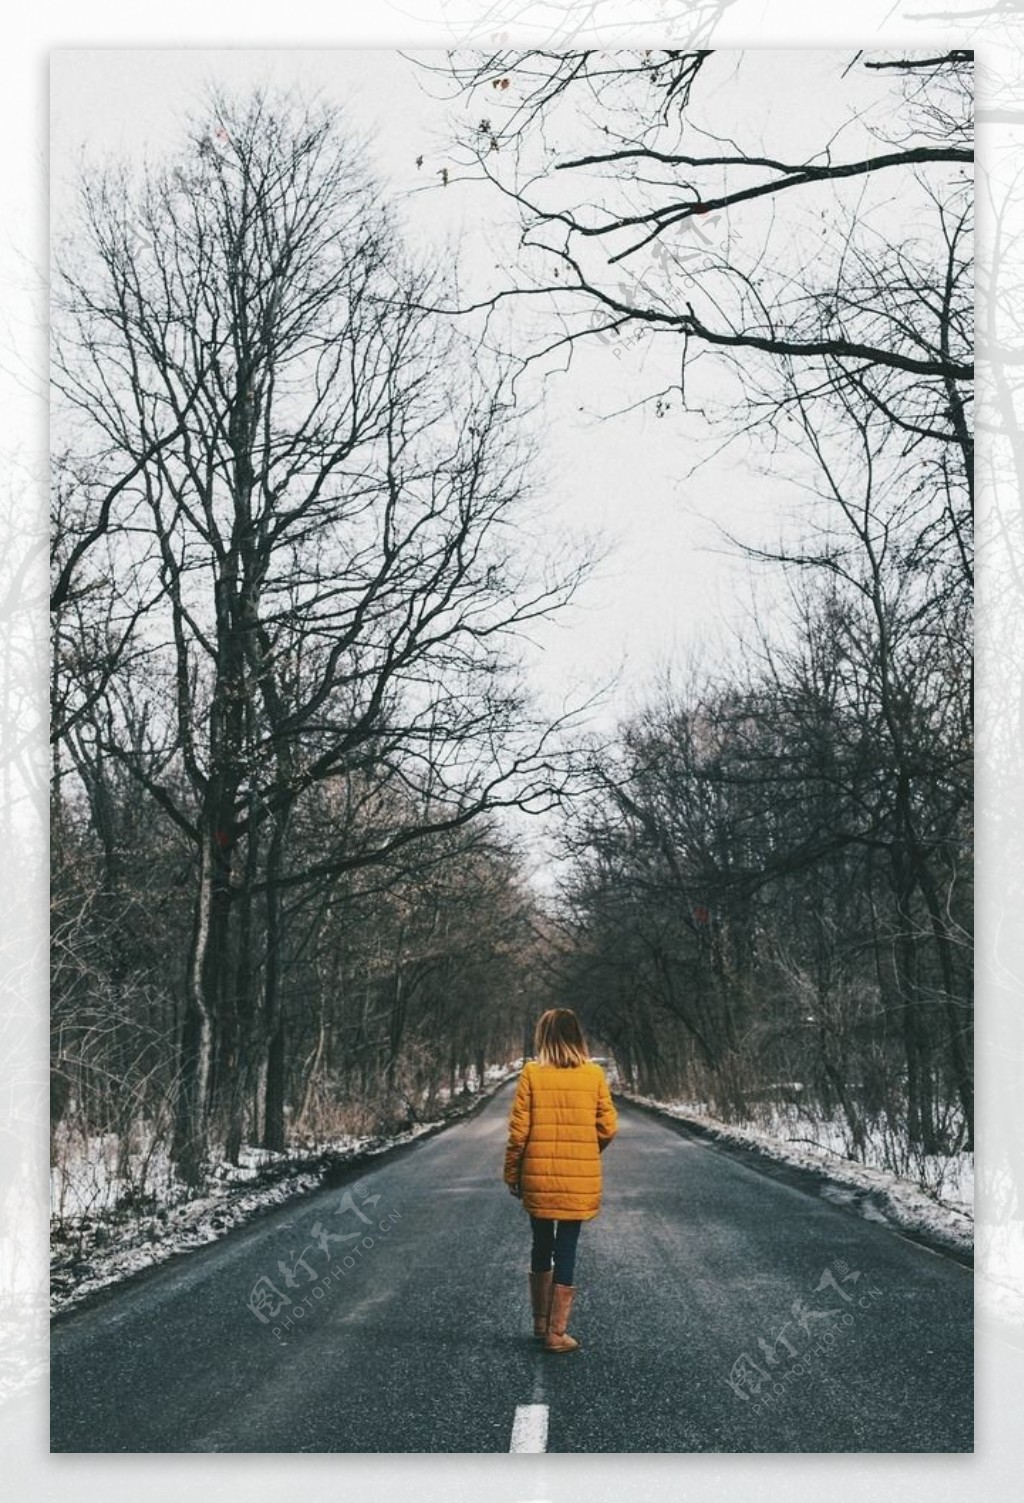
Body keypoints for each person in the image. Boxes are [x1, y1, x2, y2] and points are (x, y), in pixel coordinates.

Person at [502, 1008, 619, 1353]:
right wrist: (588, 1147)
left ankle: (539, 1323)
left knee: (541, 1242)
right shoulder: (593, 1074)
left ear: (544, 1037)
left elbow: (518, 1133)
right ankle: (557, 1332)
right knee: (566, 1246)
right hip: (577, 1178)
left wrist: (512, 1173)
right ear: (576, 1036)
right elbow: (609, 1126)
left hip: (537, 1176)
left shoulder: (532, 1075)